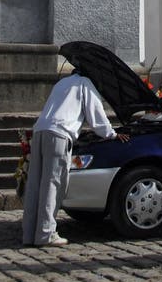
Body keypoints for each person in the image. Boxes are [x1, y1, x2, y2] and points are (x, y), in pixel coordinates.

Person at [22, 69, 129, 247]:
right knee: (53, 184)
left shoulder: (61, 84)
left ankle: (29, 233)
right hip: (59, 134)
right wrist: (112, 134)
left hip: (40, 131)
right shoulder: (85, 84)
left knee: (35, 183)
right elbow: (96, 116)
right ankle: (46, 233)